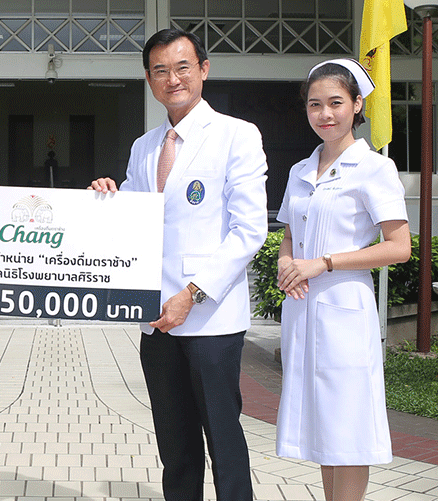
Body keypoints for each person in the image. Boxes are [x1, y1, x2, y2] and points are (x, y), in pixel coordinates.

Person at [90, 28, 267, 500]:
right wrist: (107, 198)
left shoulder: (237, 135)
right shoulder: (145, 146)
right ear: (149, 79)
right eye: (161, 71)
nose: (173, 79)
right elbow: (135, 219)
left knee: (223, 440)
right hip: (155, 319)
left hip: (210, 318)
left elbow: (249, 231)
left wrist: (193, 293)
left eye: (183, 67)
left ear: (203, 70)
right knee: (175, 445)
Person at [275, 59, 411, 501]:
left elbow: (399, 247)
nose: (325, 114)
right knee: (322, 428)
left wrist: (325, 263)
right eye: (315, 104)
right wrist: (286, 262)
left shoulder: (373, 168)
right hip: (302, 309)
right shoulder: (300, 170)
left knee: (347, 428)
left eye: (335, 102)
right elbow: (289, 233)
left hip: (345, 310)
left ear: (357, 105)